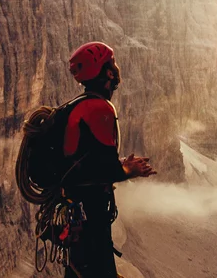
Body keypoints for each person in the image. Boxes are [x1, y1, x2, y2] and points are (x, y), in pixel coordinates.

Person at [62, 41, 156, 277]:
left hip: (77, 213)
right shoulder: (99, 109)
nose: (116, 68)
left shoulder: (80, 105)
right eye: (111, 63)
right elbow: (106, 170)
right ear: (107, 72)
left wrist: (122, 163)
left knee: (77, 270)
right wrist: (129, 170)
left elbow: (87, 160)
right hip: (91, 216)